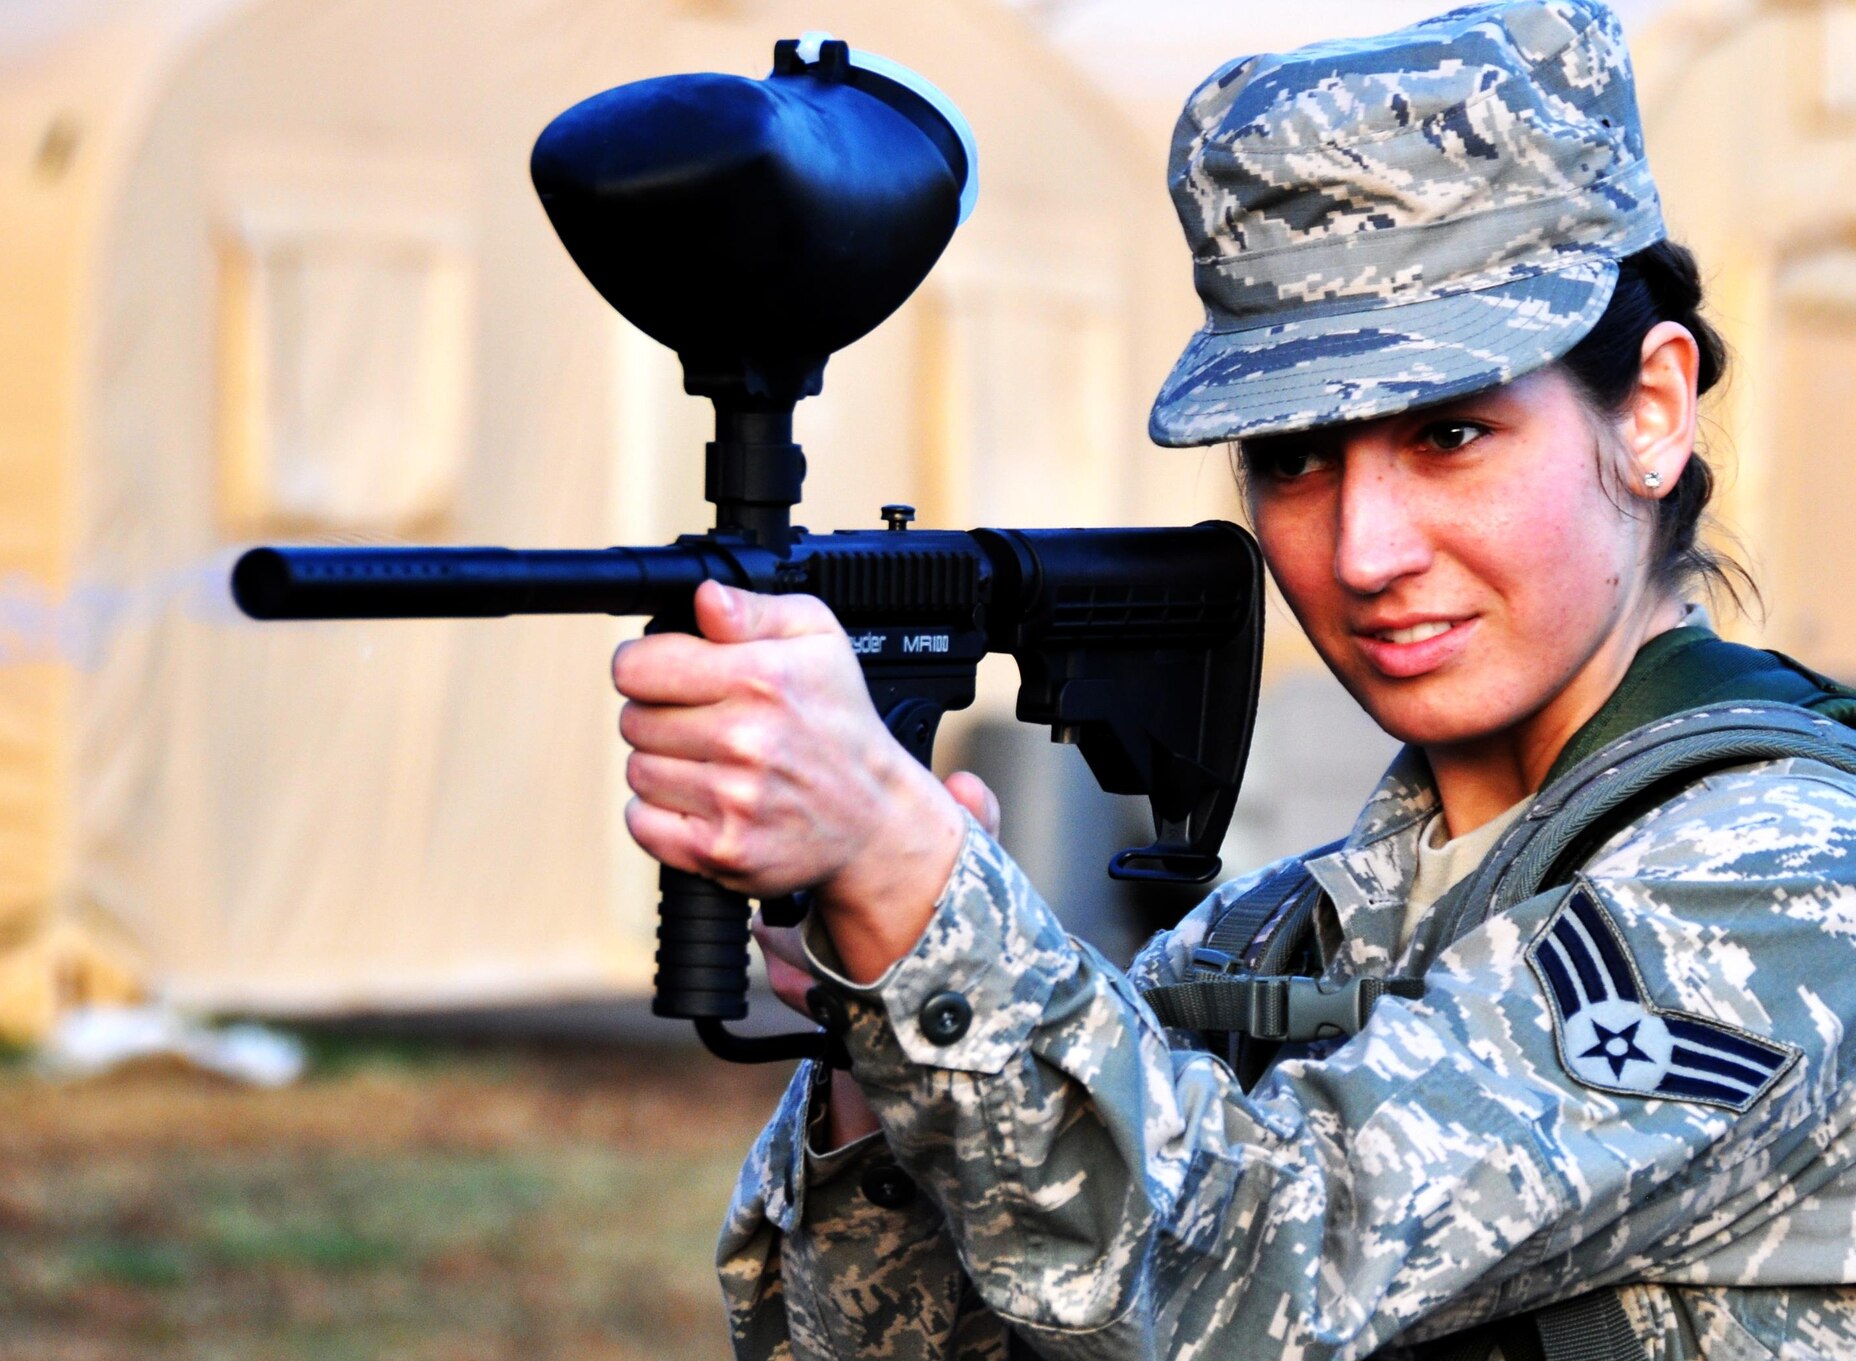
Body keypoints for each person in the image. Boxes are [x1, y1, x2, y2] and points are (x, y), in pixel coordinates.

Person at [608, 2, 1856, 1357]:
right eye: (1293, 457)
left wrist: (916, 876)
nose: (1364, 551)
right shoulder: (1274, 938)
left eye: (1450, 433)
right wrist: (882, 1012)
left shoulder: (1794, 875)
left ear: (1653, 411)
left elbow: (1261, 1274)